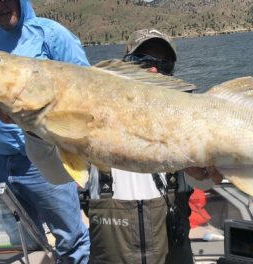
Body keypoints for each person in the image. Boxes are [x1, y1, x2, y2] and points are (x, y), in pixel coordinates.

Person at [0, 1, 90, 263]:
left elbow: (88, 87)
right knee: (21, 236)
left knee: (70, 239)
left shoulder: (50, 34)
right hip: (1, 162)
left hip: (42, 161)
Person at [86, 28, 223, 264]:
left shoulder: (186, 127)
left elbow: (206, 181)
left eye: (164, 64)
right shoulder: (94, 121)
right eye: (143, 61)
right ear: (124, 65)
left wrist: (211, 167)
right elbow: (54, 174)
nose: (153, 69)